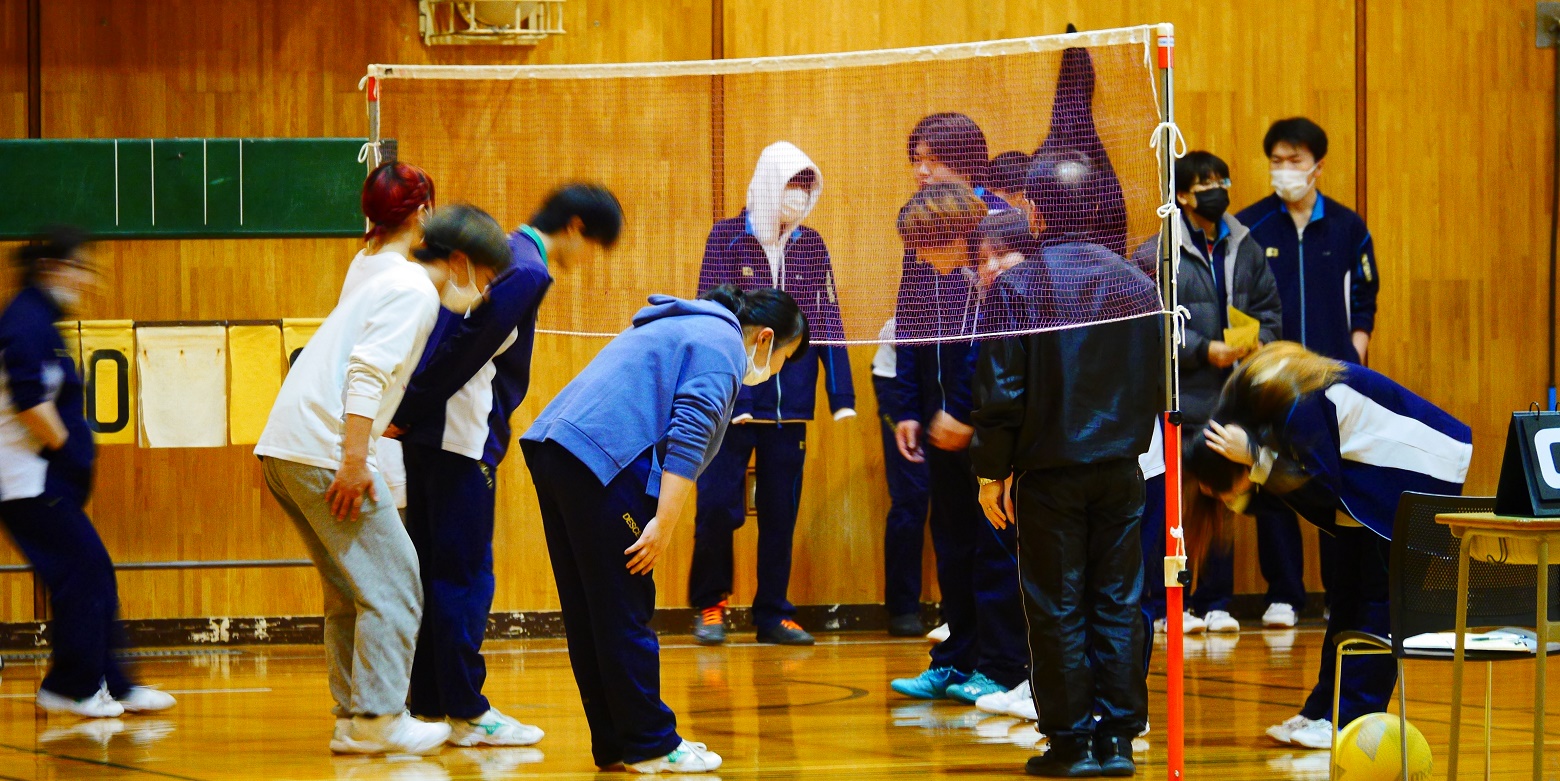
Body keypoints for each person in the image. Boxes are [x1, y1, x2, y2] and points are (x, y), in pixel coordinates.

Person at [255, 177, 511, 755]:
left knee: (352, 589)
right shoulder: (413, 290)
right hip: (324, 450)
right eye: (489, 277)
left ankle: (354, 718)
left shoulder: (376, 268)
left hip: (286, 447)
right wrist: (353, 460)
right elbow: (367, 373)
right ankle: (378, 719)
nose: (488, 292)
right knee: (397, 581)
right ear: (461, 261)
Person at [520, 285, 810, 774]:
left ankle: (618, 742)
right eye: (784, 357)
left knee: (593, 610)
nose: (776, 369)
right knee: (625, 608)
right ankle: (653, 743)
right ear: (764, 339)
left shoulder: (684, 324)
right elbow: (689, 436)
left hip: (556, 450)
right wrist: (662, 524)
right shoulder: (722, 344)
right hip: (604, 460)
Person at [389, 186, 622, 746]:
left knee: (433, 571)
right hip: (460, 437)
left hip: (427, 434)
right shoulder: (524, 269)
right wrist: (412, 410)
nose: (587, 261)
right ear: (574, 227)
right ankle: (468, 711)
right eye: (593, 246)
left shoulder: (503, 253)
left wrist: (407, 415)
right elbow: (467, 349)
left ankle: (431, 698)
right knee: (466, 577)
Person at [971, 153, 1162, 777]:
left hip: (1051, 474)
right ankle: (1119, 741)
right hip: (1123, 469)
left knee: (1055, 605)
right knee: (1118, 600)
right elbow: (1159, 381)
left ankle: (1072, 743)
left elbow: (1001, 392)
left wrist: (990, 472)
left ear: (1040, 211)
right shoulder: (1138, 283)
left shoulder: (1018, 286)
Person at [1188, 342, 1471, 751]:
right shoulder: (1257, 407)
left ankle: (1352, 718)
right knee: (1345, 604)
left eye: (1223, 495)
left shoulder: (1291, 401)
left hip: (1413, 471)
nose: (1229, 504)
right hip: (1368, 484)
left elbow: (1320, 487)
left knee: (1377, 608)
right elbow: (1291, 492)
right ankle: (1323, 710)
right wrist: (1256, 466)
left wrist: (1255, 459)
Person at [0, 228, 176, 719]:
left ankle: (114, 684)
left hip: (42, 480)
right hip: (27, 481)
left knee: (92, 572)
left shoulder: (41, 319)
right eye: (80, 268)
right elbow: (29, 400)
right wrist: (68, 453)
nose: (87, 280)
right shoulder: (25, 321)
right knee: (83, 576)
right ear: (53, 268)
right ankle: (70, 687)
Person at [689, 143, 854, 647]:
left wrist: (839, 391)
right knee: (717, 506)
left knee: (781, 511)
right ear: (768, 183)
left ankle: (773, 613)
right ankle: (711, 604)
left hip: (791, 404)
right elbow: (708, 313)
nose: (799, 198)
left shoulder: (813, 245)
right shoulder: (725, 237)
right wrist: (723, 394)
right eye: (791, 186)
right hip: (732, 403)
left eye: (807, 188)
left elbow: (827, 318)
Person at [1130, 150, 1284, 634]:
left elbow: (1271, 309)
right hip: (1178, 399)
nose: (1217, 188)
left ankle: (1215, 602)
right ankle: (1162, 604)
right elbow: (1150, 323)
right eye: (1205, 182)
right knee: (1171, 504)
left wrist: (1262, 344)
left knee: (1222, 498)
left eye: (1222, 178)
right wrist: (1201, 350)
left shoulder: (1246, 245)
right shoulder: (1158, 251)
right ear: (1181, 194)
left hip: (1232, 399)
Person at [886, 182, 1027, 706]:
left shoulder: (999, 273)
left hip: (985, 434)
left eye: (927, 246)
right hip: (938, 431)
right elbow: (911, 331)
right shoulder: (927, 269)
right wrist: (907, 408)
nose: (921, 258)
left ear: (958, 235)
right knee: (952, 550)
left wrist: (964, 413)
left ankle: (1001, 666)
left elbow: (992, 351)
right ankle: (955, 660)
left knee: (994, 553)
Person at [1236, 117, 1380, 628]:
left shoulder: (1347, 226)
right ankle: (1284, 594)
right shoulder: (1249, 225)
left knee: (1333, 484)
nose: (1284, 171)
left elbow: (1365, 295)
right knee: (1275, 480)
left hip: (1332, 377)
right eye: (1276, 161)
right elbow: (1239, 298)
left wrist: (1355, 350)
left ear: (1317, 166)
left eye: (1294, 161)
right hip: (1271, 377)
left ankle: (1340, 595)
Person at [871, 315, 934, 636]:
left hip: (952, 392)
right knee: (910, 499)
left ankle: (964, 611)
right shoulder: (909, 310)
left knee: (960, 503)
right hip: (897, 389)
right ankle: (902, 608)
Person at [908, 112, 1010, 214]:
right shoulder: (916, 214)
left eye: (933, 160)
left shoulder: (999, 217)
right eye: (917, 160)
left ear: (967, 166)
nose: (922, 171)